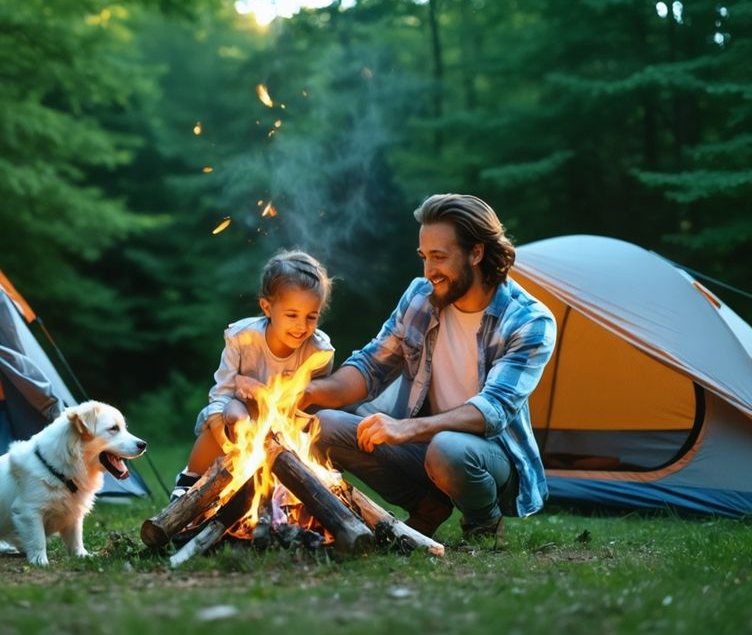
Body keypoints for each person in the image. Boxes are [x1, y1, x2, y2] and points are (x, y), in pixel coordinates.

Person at [301, 193, 556, 543]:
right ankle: (426, 507)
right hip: (423, 444)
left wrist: (406, 428)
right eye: (424, 257)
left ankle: (483, 523)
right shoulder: (420, 297)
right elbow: (371, 366)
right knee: (322, 425)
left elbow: (493, 411)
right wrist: (308, 392)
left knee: (447, 449)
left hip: (489, 457)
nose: (428, 271)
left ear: (476, 253)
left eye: (439, 257)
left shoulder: (529, 321)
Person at [172, 250, 335, 498]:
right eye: (292, 315)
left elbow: (316, 401)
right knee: (231, 415)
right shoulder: (243, 337)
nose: (302, 326)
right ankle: (189, 479)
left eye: (311, 316)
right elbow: (223, 391)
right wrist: (221, 425)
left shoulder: (319, 350)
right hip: (241, 410)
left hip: (287, 420)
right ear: (267, 307)